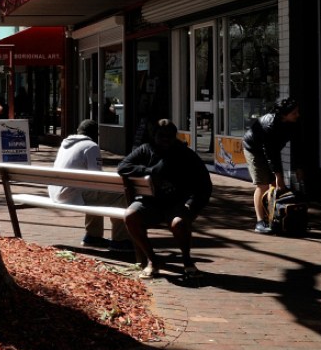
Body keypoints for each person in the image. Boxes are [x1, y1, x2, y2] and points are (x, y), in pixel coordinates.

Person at [118, 119, 212, 279]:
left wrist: (192, 206)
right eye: (161, 135)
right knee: (130, 216)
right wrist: (148, 171)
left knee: (179, 223)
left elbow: (205, 184)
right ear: (154, 136)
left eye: (169, 136)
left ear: (175, 136)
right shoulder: (145, 150)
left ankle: (187, 261)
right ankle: (152, 260)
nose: (165, 139)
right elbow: (123, 167)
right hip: (149, 203)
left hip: (176, 204)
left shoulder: (185, 154)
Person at [50, 119, 130, 250]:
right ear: (95, 134)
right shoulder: (91, 146)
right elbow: (97, 176)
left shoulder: (65, 145)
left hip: (57, 193)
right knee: (120, 195)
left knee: (94, 192)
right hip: (72, 194)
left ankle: (93, 236)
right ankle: (120, 240)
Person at [242, 97, 301, 234]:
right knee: (262, 185)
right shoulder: (270, 125)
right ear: (284, 114)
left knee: (274, 184)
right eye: (294, 113)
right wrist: (279, 177)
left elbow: (297, 145)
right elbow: (271, 155)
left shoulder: (292, 122)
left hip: (270, 151)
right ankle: (259, 222)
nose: (298, 115)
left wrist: (298, 167)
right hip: (253, 149)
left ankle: (273, 217)